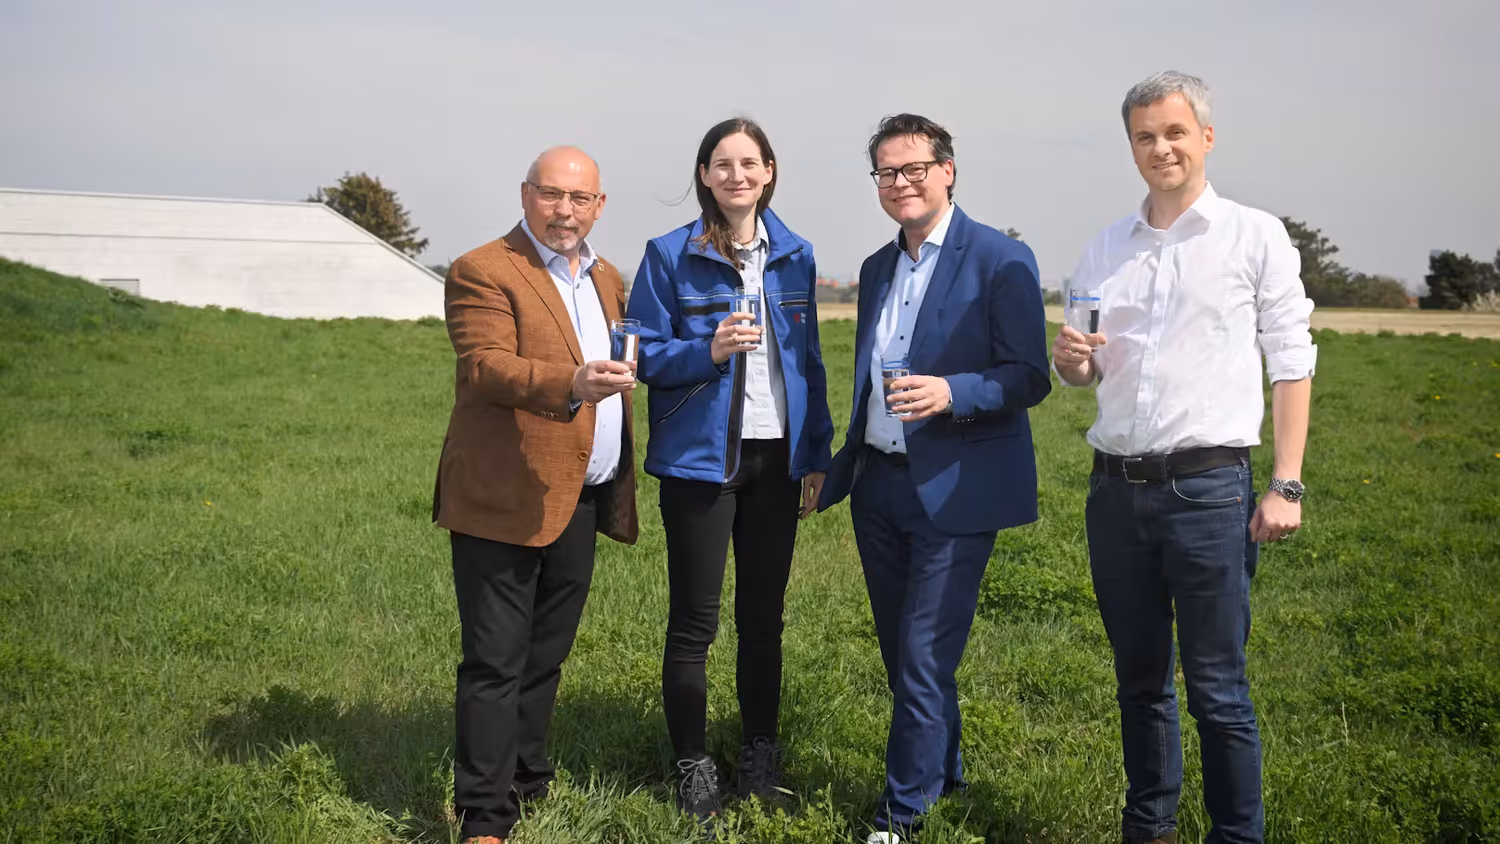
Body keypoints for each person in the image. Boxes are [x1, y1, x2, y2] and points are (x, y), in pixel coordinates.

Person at [1053, 71, 1315, 844]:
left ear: (1205, 136)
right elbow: (1084, 368)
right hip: (1115, 492)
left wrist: (1286, 483)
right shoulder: (1107, 245)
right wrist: (1072, 360)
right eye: (1143, 136)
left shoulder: (1254, 235)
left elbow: (1291, 361)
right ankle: (1150, 827)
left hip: (1210, 490)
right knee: (1139, 684)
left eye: (1173, 132)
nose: (1159, 148)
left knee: (1217, 689)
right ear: (1129, 145)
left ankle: (1237, 835)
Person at [818, 113, 1051, 843]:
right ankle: (944, 772)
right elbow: (864, 381)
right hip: (879, 486)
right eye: (887, 173)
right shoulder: (876, 269)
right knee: (903, 656)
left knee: (923, 657)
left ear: (947, 171)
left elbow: (1028, 376)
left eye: (915, 169)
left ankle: (900, 815)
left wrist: (953, 392)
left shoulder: (1000, 258)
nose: (901, 184)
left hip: (957, 485)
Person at [625, 117, 835, 821]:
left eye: (750, 162)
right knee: (694, 622)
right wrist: (706, 350)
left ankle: (760, 754)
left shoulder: (798, 255)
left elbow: (808, 366)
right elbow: (644, 356)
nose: (736, 175)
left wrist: (815, 456)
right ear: (705, 175)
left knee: (764, 620)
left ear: (769, 171)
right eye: (722, 163)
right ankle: (692, 763)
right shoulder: (667, 255)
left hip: (777, 460)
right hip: (699, 466)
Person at [431, 146, 639, 844]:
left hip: (579, 493)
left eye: (580, 199)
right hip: (503, 497)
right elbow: (485, 366)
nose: (565, 211)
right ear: (526, 196)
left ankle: (526, 781)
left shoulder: (608, 278)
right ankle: (484, 818)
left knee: (545, 656)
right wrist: (571, 385)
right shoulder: (483, 269)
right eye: (552, 195)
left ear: (600, 206)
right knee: (495, 660)